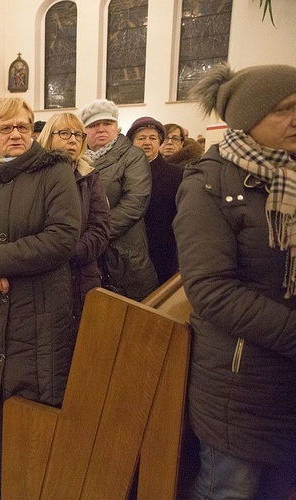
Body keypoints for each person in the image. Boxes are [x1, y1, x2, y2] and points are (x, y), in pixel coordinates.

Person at [174, 64, 296, 499]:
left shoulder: (288, 175)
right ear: (248, 115)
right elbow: (210, 289)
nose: (295, 118)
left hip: (282, 379)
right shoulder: (208, 183)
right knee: (229, 489)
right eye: (285, 109)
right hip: (239, 381)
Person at [0, 97, 81, 500]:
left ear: (34, 130)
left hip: (37, 307)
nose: (16, 135)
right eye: (6, 128)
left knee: (29, 397)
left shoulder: (55, 171)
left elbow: (63, 237)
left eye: (23, 127)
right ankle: (1, 479)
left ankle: (19, 485)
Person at [78, 99, 157, 301]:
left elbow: (134, 203)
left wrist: (95, 233)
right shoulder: (77, 159)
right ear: (84, 131)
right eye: (94, 125)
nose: (101, 129)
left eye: (107, 123)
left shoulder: (132, 156)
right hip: (88, 254)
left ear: (117, 127)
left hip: (124, 254)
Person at [39, 113, 110, 324]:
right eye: (65, 133)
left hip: (81, 273)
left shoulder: (89, 177)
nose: (73, 139)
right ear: (48, 137)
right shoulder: (34, 175)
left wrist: (69, 253)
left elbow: (100, 228)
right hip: (42, 275)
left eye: (78, 135)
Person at [127, 116, 183, 284]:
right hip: (129, 255)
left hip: (163, 251)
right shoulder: (124, 173)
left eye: (152, 138)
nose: (147, 143)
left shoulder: (176, 174)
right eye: (141, 138)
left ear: (159, 142)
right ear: (132, 142)